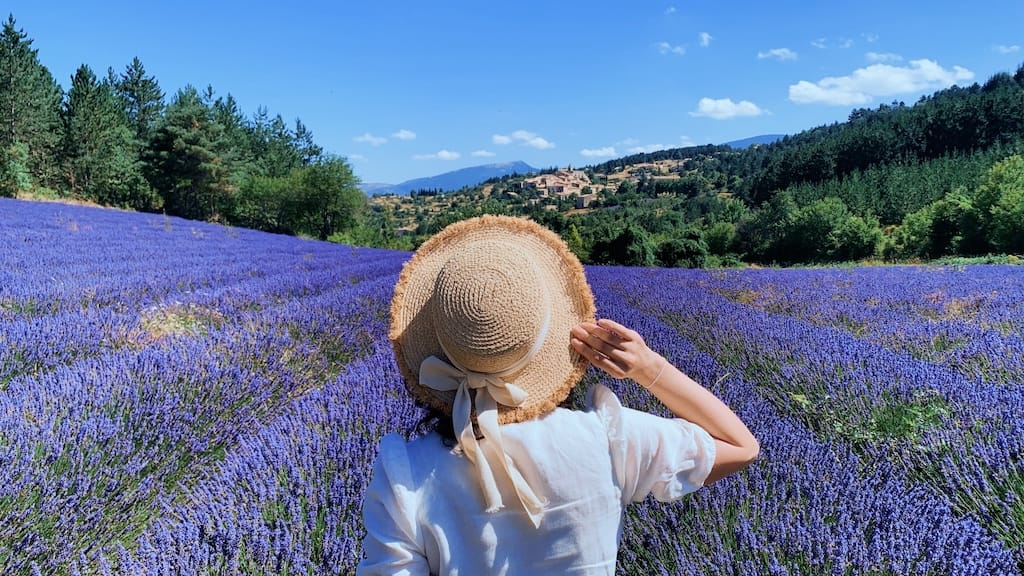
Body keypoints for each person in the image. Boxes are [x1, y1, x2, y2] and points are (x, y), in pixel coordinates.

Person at [357, 215, 759, 575]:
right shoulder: (610, 442)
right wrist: (649, 368)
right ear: (553, 337)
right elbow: (741, 447)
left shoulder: (405, 479)